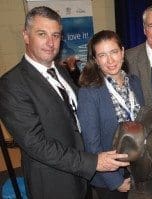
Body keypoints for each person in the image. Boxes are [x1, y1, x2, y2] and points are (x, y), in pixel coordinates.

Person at [0, 6, 129, 199]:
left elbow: (77, 116)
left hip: (81, 177)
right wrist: (93, 162)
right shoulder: (11, 84)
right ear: (26, 36)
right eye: (42, 34)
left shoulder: (60, 71)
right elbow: (36, 144)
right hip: (54, 182)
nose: (50, 43)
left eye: (56, 35)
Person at [77, 30, 145, 199]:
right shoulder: (89, 91)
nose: (110, 60)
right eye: (102, 55)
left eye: (114, 52)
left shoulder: (134, 82)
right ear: (95, 60)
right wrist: (115, 181)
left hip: (138, 168)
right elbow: (91, 143)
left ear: (122, 52)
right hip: (111, 175)